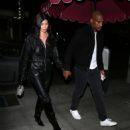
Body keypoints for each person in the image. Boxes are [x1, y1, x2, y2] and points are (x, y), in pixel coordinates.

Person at [63, 10, 117, 127]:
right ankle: (73, 108)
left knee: (99, 93)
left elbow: (98, 54)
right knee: (79, 91)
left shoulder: (101, 35)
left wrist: (101, 68)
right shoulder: (81, 32)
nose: (101, 24)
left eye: (102, 22)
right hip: (81, 69)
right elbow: (70, 50)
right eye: (98, 22)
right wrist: (67, 68)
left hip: (94, 70)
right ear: (91, 21)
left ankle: (103, 119)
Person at [18, 12, 63, 130]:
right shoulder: (31, 39)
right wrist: (21, 81)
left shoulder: (51, 38)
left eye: (46, 23)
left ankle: (37, 115)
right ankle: (55, 125)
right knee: (46, 98)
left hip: (48, 71)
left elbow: (56, 57)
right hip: (35, 71)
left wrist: (63, 69)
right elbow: (24, 60)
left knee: (42, 96)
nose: (45, 26)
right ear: (37, 24)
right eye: (42, 24)